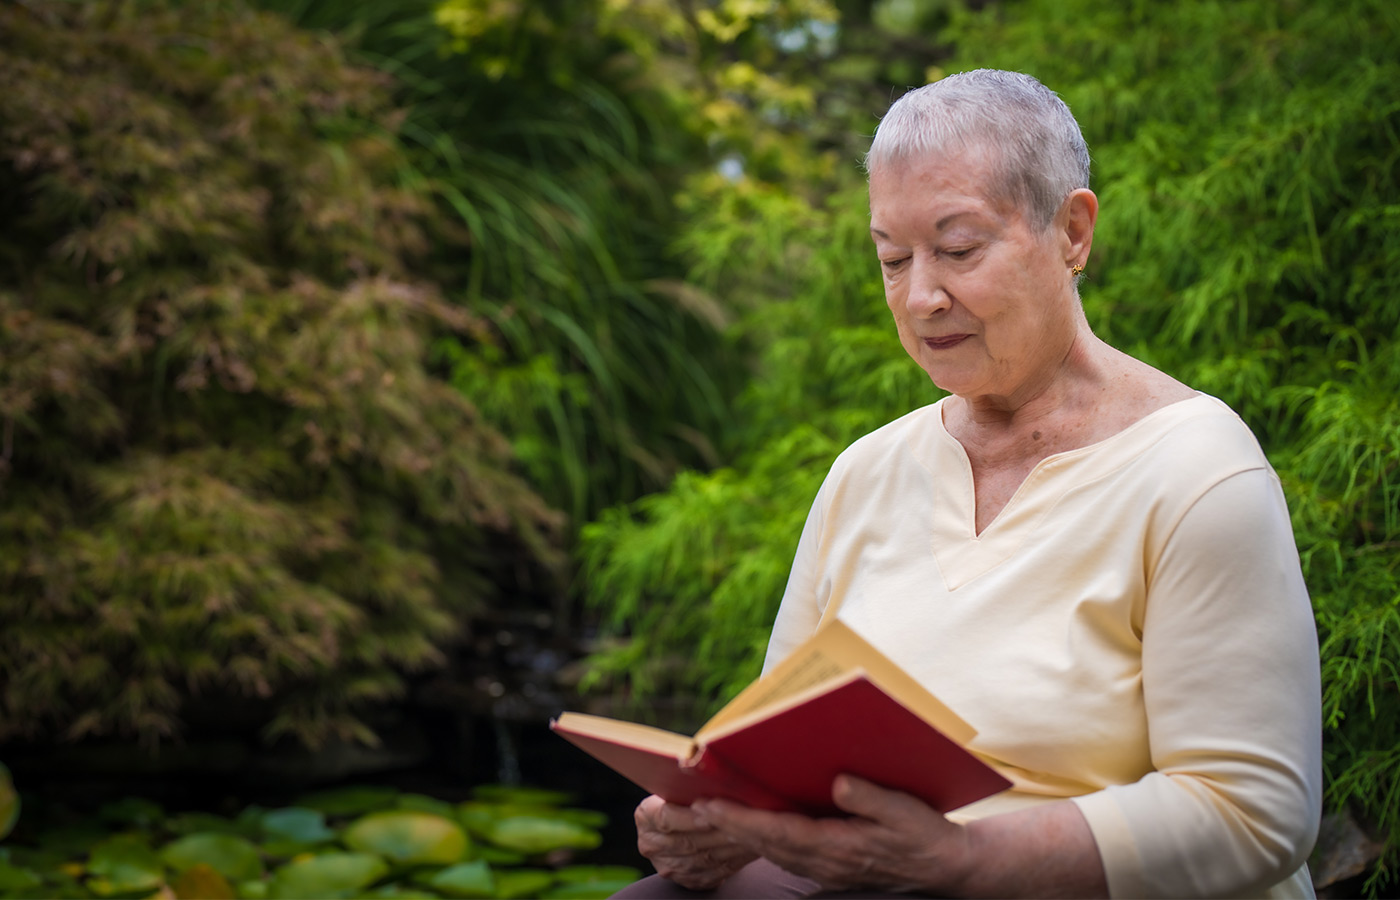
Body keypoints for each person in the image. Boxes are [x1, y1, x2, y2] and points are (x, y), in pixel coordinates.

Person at [613, 69, 1322, 899]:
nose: (920, 297)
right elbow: (772, 754)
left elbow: (1255, 812)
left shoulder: (1198, 472)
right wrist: (717, 818)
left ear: (1073, 231)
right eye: (891, 258)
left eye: (958, 249)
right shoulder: (867, 473)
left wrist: (962, 861)